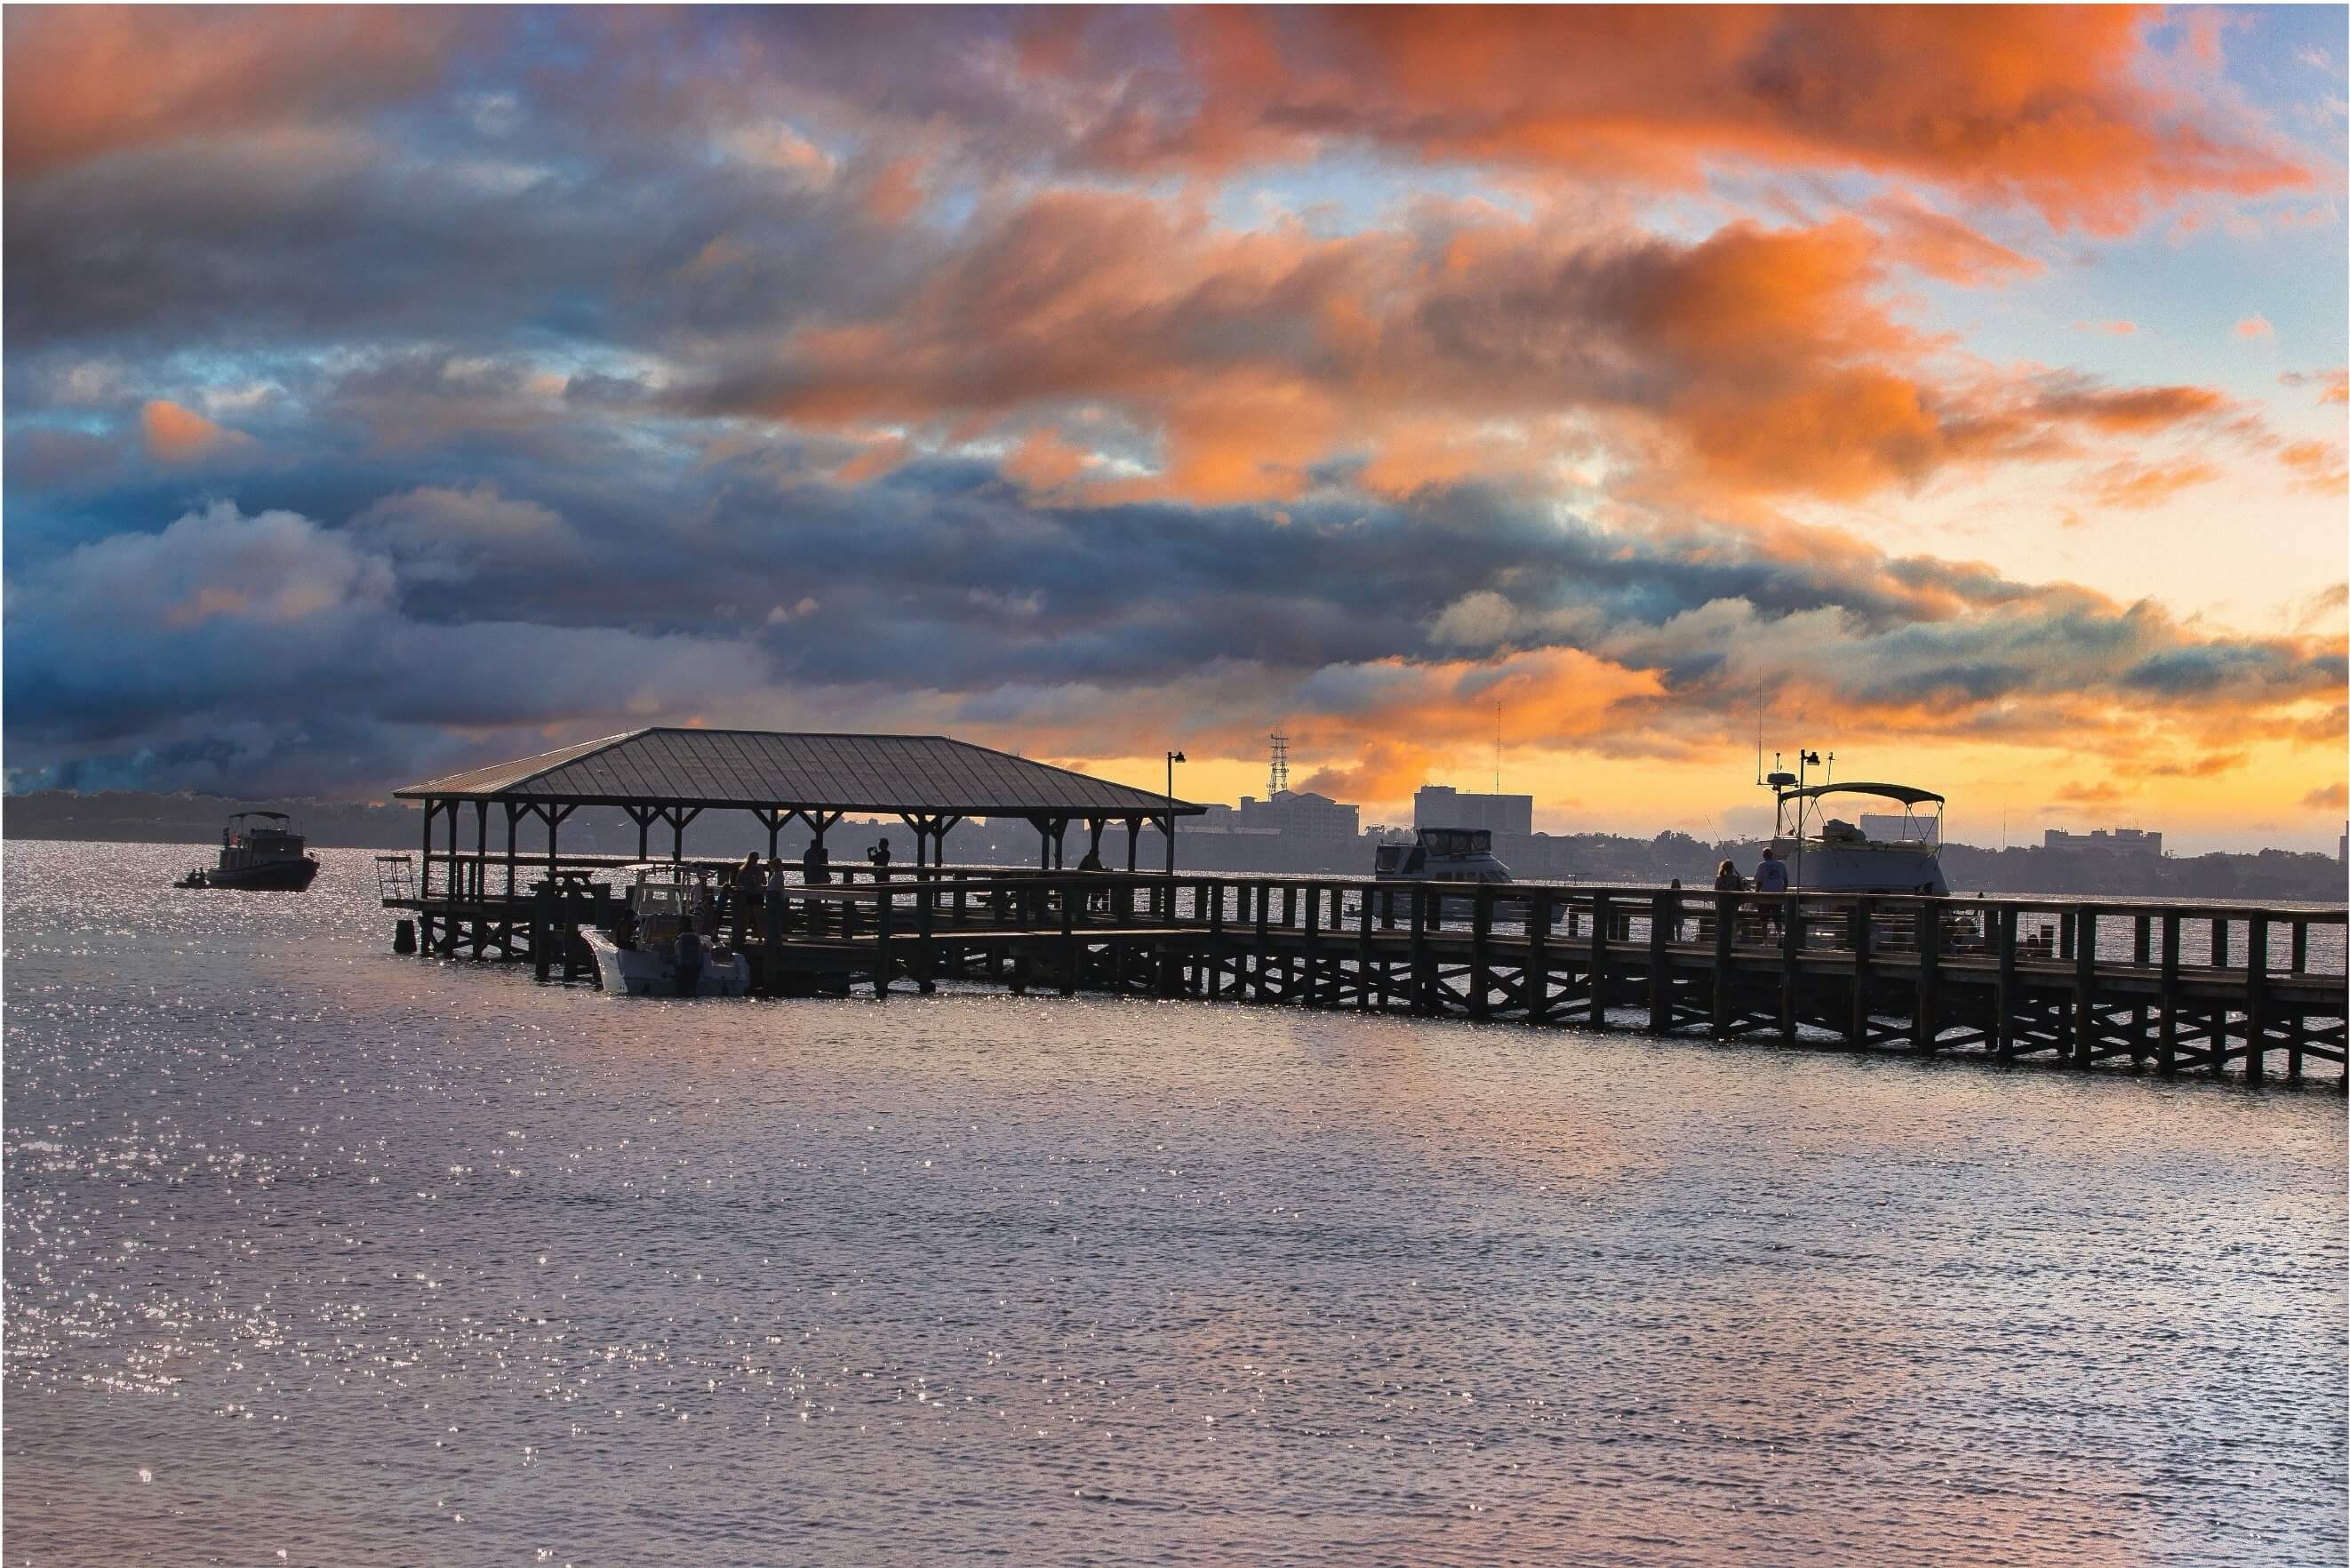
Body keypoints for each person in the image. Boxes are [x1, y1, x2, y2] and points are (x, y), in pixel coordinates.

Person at [1753, 847, 1789, 935]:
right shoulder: (1781, 865)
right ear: (1772, 855)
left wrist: (1755, 896)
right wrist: (1783, 892)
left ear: (1764, 856)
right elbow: (1786, 880)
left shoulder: (1761, 866)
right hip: (1778, 896)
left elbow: (1759, 883)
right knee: (1777, 919)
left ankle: (1765, 942)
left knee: (1764, 921)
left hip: (1765, 897)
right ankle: (1780, 937)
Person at [733, 852, 762, 948]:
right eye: (756, 858)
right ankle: (744, 936)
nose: (757, 860)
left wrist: (757, 881)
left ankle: (760, 937)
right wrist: (745, 884)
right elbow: (738, 882)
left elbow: (764, 881)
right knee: (746, 916)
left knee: (758, 917)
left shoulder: (759, 869)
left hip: (757, 894)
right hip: (748, 894)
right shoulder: (744, 869)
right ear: (751, 859)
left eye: (758, 858)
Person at [764, 852, 790, 947]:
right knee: (774, 921)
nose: (771, 867)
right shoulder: (777, 875)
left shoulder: (778, 875)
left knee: (774, 920)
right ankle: (775, 940)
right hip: (774, 897)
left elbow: (777, 889)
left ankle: (775, 940)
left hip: (774, 898)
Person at [672, 924, 704, 996]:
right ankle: (692, 992)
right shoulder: (697, 939)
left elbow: (676, 954)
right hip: (696, 966)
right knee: (692, 984)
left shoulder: (679, 939)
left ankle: (682, 992)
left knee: (682, 986)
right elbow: (700, 952)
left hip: (683, 966)